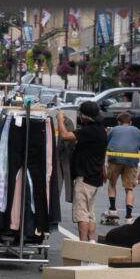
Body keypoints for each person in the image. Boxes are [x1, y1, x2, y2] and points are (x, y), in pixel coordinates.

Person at [57, 99, 108, 242]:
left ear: (86, 117)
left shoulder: (90, 131)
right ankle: (91, 242)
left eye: (81, 115)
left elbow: (65, 136)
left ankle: (82, 244)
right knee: (90, 212)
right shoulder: (100, 129)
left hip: (85, 177)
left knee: (81, 213)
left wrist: (60, 120)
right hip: (95, 177)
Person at [103, 111, 140, 222]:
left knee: (112, 184)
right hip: (131, 161)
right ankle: (129, 217)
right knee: (129, 189)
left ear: (118, 122)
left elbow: (104, 147)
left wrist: (103, 167)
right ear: (130, 122)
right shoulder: (137, 131)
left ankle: (112, 210)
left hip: (115, 159)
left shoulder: (113, 130)